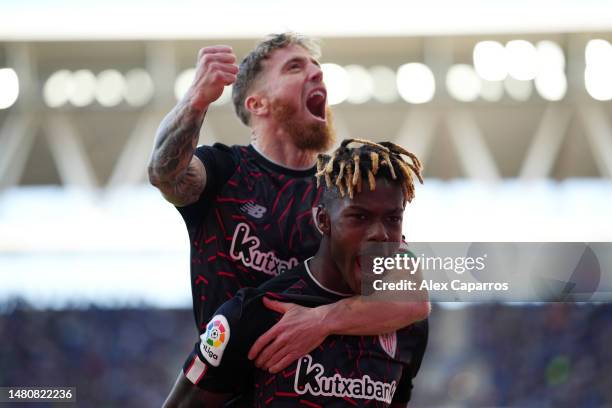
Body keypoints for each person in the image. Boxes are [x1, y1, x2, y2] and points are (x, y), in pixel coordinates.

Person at [147, 33, 430, 407]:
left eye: (318, 69)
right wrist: (196, 98)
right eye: (295, 67)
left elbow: (412, 299)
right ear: (257, 103)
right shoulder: (225, 171)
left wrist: (320, 321)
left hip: (322, 382)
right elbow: (165, 173)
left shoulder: (343, 189)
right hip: (226, 387)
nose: (316, 75)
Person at [188, 139, 428, 407]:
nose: (380, 234)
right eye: (359, 217)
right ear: (323, 221)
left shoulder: (408, 326)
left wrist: (323, 321)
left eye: (393, 219)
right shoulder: (256, 314)